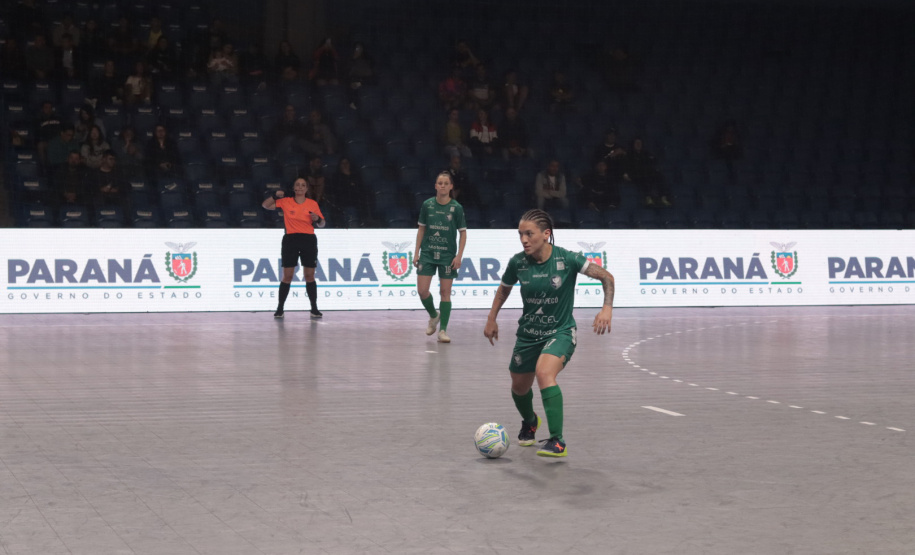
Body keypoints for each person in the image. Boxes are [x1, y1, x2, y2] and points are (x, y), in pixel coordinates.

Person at [484, 209, 615, 457]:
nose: (524, 240)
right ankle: (531, 421)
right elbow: (504, 289)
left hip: (560, 331)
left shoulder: (568, 259)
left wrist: (606, 308)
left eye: (529, 234)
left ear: (546, 234)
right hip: (528, 334)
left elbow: (606, 277)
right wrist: (492, 318)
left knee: (544, 373)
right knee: (519, 387)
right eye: (520, 234)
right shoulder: (517, 262)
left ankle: (557, 440)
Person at [413, 172, 467, 343]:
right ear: (435, 186)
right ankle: (433, 315)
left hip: (447, 255)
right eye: (440, 183)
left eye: (446, 183)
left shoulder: (456, 208)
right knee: (422, 290)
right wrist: (416, 252)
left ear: (451, 186)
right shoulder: (427, 205)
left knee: (445, 292)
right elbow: (421, 229)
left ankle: (443, 330)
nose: (442, 185)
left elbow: (463, 233)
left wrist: (459, 256)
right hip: (428, 253)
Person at [262, 178, 326, 319]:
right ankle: (280, 308)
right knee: (287, 276)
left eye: (303, 185)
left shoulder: (312, 204)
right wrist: (274, 196)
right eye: (298, 185)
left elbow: (322, 224)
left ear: (307, 189)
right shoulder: (286, 201)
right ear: (294, 188)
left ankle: (314, 308)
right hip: (291, 239)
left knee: (309, 275)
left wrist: (318, 219)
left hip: (308, 239)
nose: (300, 187)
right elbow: (265, 205)